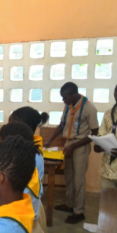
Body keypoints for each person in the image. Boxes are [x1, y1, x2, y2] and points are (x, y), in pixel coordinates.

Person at [44, 82, 99, 224]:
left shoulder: (89, 108)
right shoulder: (69, 106)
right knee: (69, 176)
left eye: (65, 97)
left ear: (74, 95)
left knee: (78, 179)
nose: (63, 100)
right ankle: (69, 204)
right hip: (69, 144)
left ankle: (79, 212)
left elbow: (94, 133)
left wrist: (74, 146)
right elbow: (62, 125)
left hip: (80, 145)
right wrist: (49, 140)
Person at [9, 106, 49, 232]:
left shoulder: (23, 154)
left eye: (10, 125)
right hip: (33, 206)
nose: (7, 128)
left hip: (24, 210)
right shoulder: (34, 148)